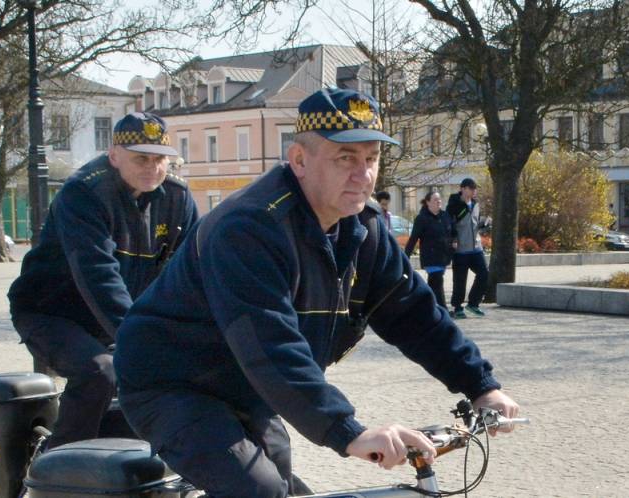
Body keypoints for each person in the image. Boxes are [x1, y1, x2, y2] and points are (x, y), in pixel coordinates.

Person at [114, 88, 519, 498]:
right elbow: (269, 345)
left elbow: (415, 315)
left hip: (247, 386)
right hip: (172, 385)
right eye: (345, 158)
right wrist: (349, 432)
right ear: (299, 160)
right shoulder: (250, 228)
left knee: (288, 489)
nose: (363, 174)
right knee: (258, 490)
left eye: (371, 158)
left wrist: (480, 385)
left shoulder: (364, 230)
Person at [7, 112, 198, 449]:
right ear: (114, 155)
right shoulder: (85, 193)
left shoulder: (177, 198)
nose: (152, 168)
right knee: (100, 372)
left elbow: (196, 272)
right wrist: (140, 341)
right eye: (141, 158)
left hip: (115, 320)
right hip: (52, 313)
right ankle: (59, 465)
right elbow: (98, 274)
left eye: (159, 159)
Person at [446, 178, 489, 319]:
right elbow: (449, 225)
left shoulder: (475, 204)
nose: (474, 191)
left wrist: (484, 224)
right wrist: (453, 239)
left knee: (484, 274)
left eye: (475, 188)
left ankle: (473, 304)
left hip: (476, 247)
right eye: (471, 188)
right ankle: (458, 307)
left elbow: (475, 223)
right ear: (463, 189)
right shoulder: (453, 205)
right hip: (460, 249)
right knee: (460, 280)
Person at [404, 191, 452, 308]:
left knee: (433, 284)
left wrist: (453, 243)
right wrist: (405, 256)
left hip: (443, 257)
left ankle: (426, 307)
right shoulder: (422, 218)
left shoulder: (445, 216)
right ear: (428, 202)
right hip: (430, 257)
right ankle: (443, 310)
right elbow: (413, 238)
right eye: (435, 199)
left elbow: (452, 231)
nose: (438, 201)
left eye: (439, 199)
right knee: (437, 281)